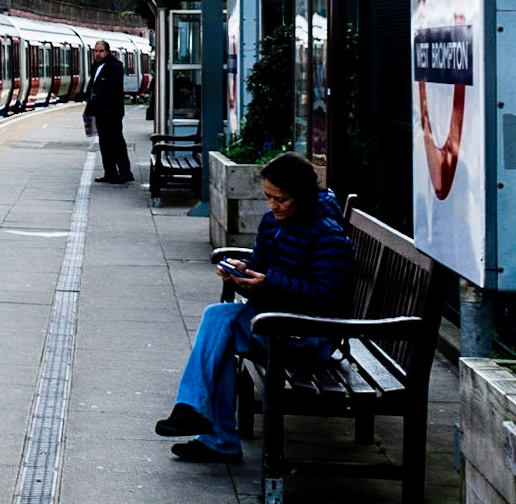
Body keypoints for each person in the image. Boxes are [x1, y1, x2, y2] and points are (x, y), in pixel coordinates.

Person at [154, 152, 354, 462]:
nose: (273, 205)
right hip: (274, 322)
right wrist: (240, 271)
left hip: (308, 334)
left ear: (302, 195)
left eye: (281, 199)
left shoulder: (328, 234)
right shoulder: (272, 222)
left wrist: (268, 282)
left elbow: (328, 295)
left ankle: (209, 430)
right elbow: (261, 266)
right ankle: (198, 418)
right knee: (217, 323)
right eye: (268, 197)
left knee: (219, 331)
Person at [84, 40, 132, 183]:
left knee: (116, 142)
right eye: (96, 51)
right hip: (100, 112)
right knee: (104, 143)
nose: (98, 54)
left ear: (108, 51)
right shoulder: (96, 66)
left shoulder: (115, 66)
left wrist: (102, 102)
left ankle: (125, 172)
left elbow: (113, 90)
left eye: (101, 51)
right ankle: (110, 172)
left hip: (111, 112)